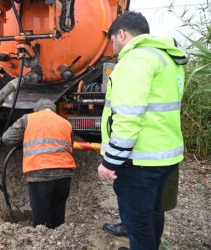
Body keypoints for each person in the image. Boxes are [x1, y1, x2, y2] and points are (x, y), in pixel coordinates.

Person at [97, 11, 188, 250]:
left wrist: (110, 162)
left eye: (113, 41)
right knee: (153, 213)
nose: (113, 48)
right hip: (164, 155)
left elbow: (128, 116)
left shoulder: (135, 60)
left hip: (139, 161)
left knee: (137, 224)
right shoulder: (165, 58)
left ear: (122, 33)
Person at [2, 98, 76, 229]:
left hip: (39, 173)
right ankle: (57, 239)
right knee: (58, 213)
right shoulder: (65, 123)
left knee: (41, 219)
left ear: (36, 110)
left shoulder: (28, 119)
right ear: (53, 110)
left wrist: (25, 137)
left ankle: (42, 241)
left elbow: (7, 138)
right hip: (64, 174)